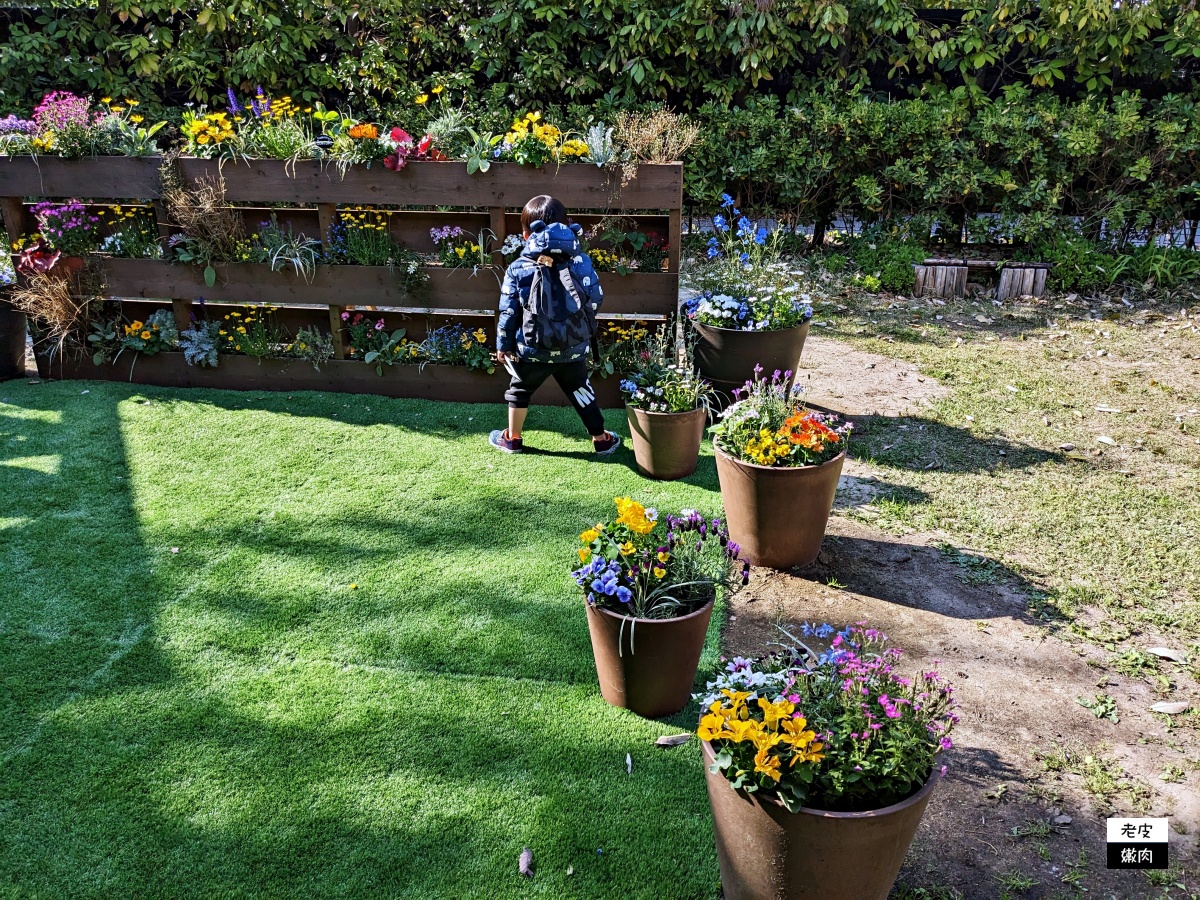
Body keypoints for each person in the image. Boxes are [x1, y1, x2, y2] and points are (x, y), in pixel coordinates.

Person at [489, 194, 621, 455]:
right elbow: (596, 298)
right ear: (566, 226)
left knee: (519, 390)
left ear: (527, 234)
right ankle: (601, 439)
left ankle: (513, 439)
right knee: (581, 390)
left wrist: (503, 345)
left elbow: (508, 310)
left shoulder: (517, 267)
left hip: (530, 348)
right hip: (572, 347)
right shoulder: (581, 261)